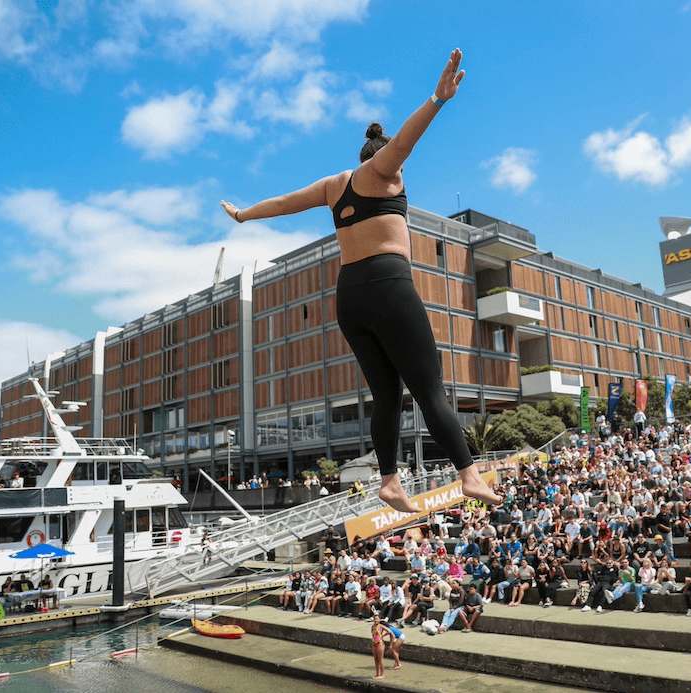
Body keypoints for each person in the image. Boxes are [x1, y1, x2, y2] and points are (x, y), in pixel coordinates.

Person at [220, 49, 500, 514]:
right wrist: (438, 98)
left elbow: (288, 202)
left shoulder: (335, 185)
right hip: (389, 285)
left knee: (387, 394)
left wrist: (244, 215)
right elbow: (406, 143)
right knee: (429, 388)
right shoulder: (381, 172)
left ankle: (389, 480)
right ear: (384, 159)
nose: (401, 174)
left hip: (349, 295)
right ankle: (468, 474)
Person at [370, 614, 388, 679]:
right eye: (374, 619)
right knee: (376, 659)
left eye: (377, 619)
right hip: (374, 643)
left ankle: (382, 674)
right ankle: (377, 674)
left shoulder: (381, 626)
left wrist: (383, 636)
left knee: (381, 659)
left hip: (380, 644)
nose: (375, 620)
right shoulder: (372, 626)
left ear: (380, 620)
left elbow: (389, 631)